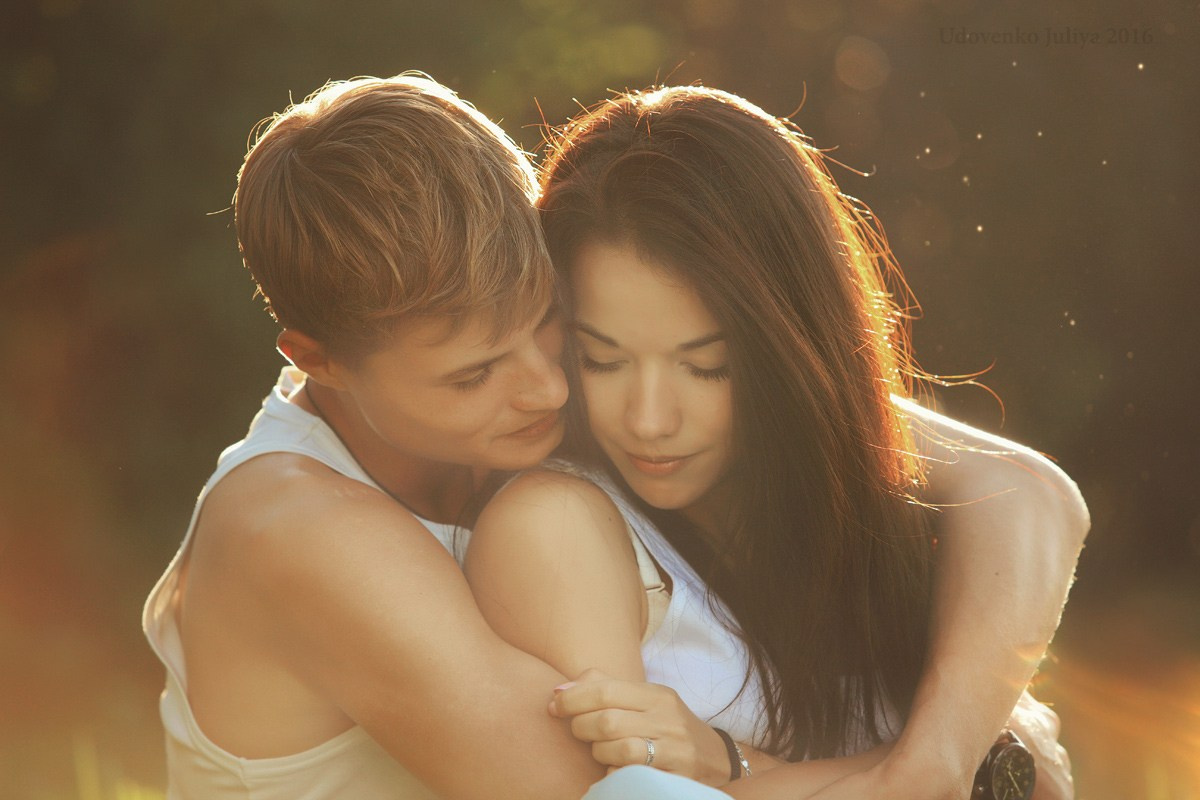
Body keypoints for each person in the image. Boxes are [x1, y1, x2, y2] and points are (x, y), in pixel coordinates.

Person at [142, 74, 1085, 799]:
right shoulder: (295, 529)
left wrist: (942, 751)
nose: (547, 387)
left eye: (552, 325)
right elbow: (621, 789)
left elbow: (1015, 488)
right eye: (474, 374)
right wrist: (937, 773)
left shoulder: (541, 404)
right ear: (322, 362)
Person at [464, 85, 1087, 799]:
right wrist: (974, 759)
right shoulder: (556, 526)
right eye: (602, 359)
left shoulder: (844, 480)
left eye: (708, 367)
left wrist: (931, 763)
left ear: (791, 350)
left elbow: (1030, 493)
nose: (648, 419)